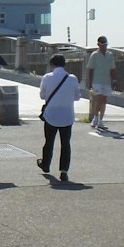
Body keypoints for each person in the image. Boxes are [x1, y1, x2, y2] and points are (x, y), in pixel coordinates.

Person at [37, 53, 80, 183]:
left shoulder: (47, 77)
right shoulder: (72, 78)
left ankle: (45, 164)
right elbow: (77, 97)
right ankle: (64, 171)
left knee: (49, 141)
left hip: (51, 115)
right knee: (65, 144)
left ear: (52, 65)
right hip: (67, 116)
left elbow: (42, 95)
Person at [86, 37, 115, 131]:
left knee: (104, 100)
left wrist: (114, 80)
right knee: (99, 98)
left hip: (106, 80)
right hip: (97, 80)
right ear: (98, 45)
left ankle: (100, 120)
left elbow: (112, 69)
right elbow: (90, 69)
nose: (104, 47)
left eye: (105, 45)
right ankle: (95, 117)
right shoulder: (94, 55)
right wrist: (89, 82)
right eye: (102, 45)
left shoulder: (110, 55)